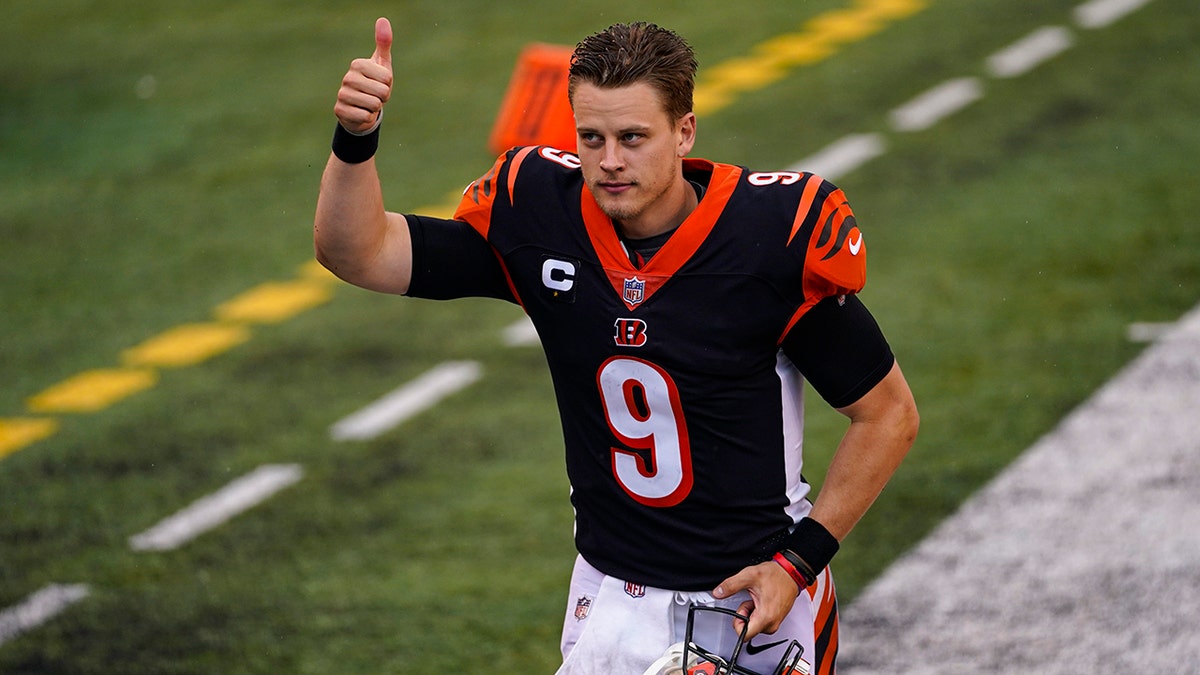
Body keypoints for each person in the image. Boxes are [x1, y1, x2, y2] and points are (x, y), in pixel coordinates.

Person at [315, 17, 918, 675]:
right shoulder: (543, 217)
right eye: (591, 138)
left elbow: (888, 414)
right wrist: (356, 139)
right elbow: (360, 252)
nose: (608, 161)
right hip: (611, 589)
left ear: (685, 131)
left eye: (633, 137)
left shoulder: (763, 242)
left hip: (752, 594)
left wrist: (796, 565)